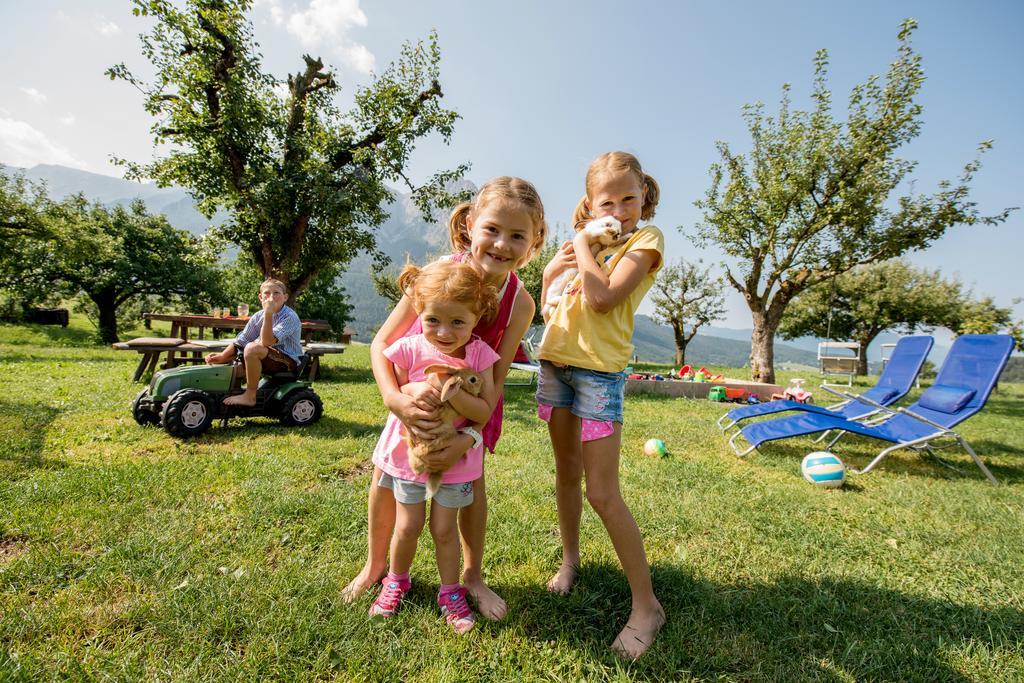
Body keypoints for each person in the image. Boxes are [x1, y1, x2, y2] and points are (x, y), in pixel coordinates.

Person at [343, 177, 547, 621]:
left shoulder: (521, 305)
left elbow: (495, 378)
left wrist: (469, 437)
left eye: (517, 236)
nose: (501, 244)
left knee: (471, 488)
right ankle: (377, 565)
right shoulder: (438, 276)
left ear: (535, 243)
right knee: (385, 478)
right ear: (471, 224)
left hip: (472, 413)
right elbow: (382, 344)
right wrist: (393, 399)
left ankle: (470, 577)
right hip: (413, 406)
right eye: (492, 229)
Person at [537, 151, 666, 659]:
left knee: (603, 493)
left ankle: (647, 607)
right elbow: (553, 299)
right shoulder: (586, 243)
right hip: (556, 366)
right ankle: (571, 561)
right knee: (565, 474)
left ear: (643, 198)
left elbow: (602, 299)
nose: (621, 208)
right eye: (607, 200)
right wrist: (554, 269)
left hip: (598, 375)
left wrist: (581, 245)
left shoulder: (645, 241)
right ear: (591, 204)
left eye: (629, 198)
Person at [367, 259, 501, 633]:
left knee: (445, 529)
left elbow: (485, 409)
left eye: (458, 322)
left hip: (455, 459)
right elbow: (396, 387)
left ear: (477, 316)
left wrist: (453, 395)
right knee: (407, 526)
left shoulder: (479, 356)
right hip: (411, 455)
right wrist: (410, 390)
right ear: (419, 313)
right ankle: (397, 580)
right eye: (433, 320)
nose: (444, 332)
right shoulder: (409, 348)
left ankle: (450, 591)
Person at [206, 278, 303, 407]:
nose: (271, 297)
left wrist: (269, 314)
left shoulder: (289, 317)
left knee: (252, 349)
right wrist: (222, 356)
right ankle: (221, 397)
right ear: (260, 297)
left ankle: (250, 396)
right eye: (267, 293)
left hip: (288, 362)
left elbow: (267, 341)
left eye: (276, 293)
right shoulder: (258, 316)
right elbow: (242, 340)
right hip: (270, 357)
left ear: (285, 297)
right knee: (234, 367)